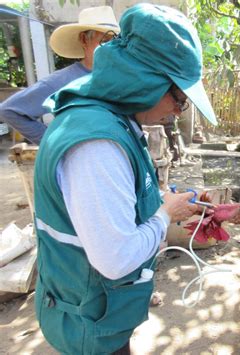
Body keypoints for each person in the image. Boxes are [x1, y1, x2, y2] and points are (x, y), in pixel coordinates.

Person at [33, 4, 217, 354]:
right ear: (147, 81)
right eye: (180, 100)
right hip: (91, 322)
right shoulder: (97, 144)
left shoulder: (113, 119)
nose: (177, 112)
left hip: (98, 310)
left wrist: (168, 202)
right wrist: (165, 216)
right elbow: (116, 258)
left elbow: (118, 199)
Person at [0, 6, 119, 144]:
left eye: (115, 41)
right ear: (84, 40)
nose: (112, 47)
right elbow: (9, 111)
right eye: (104, 41)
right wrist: (55, 144)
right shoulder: (62, 81)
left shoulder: (120, 77)